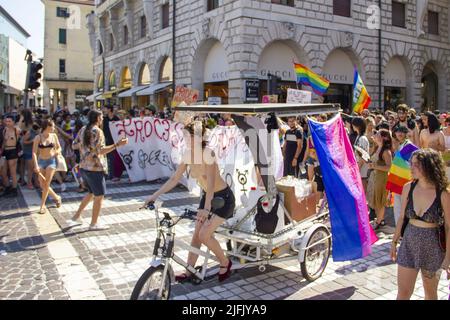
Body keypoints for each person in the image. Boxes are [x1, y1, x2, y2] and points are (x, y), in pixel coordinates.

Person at [144, 121, 236, 283]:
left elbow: (211, 184)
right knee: (196, 236)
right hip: (207, 197)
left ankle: (225, 262)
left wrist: (206, 210)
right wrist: (154, 195)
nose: (186, 139)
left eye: (190, 136)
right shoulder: (187, 154)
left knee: (204, 235)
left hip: (222, 198)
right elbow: (174, 179)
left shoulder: (208, 153)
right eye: (185, 135)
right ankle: (189, 270)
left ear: (199, 137)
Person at [390, 149, 450, 300]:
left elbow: (449, 227)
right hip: (409, 244)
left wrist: (448, 257)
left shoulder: (443, 193)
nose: (411, 167)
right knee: (403, 294)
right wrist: (394, 241)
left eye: (416, 164)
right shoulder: (408, 187)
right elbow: (402, 217)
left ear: (429, 166)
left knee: (430, 295)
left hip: (433, 248)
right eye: (411, 163)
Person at [68, 110, 128, 231]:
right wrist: (117, 144)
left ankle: (76, 216)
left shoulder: (84, 129)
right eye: (101, 117)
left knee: (91, 193)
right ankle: (93, 223)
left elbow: (74, 145)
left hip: (84, 166)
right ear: (97, 118)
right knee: (99, 196)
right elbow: (101, 151)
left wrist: (84, 148)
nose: (102, 120)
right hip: (95, 168)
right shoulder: (98, 131)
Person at [386, 126, 418, 225]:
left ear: (405, 133)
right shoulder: (400, 146)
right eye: (397, 132)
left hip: (406, 180)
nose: (399, 134)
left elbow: (413, 163)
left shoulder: (409, 146)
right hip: (398, 181)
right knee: (398, 207)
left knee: (404, 207)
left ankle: (402, 231)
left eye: (402, 132)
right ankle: (398, 231)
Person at [32, 119, 63, 214]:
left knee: (46, 184)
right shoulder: (38, 137)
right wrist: (36, 165)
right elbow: (33, 152)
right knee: (42, 184)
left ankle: (42, 205)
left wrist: (56, 152)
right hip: (41, 161)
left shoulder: (54, 136)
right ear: (47, 127)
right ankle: (57, 197)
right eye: (53, 126)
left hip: (51, 161)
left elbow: (59, 147)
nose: (54, 128)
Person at [367, 129, 393, 229]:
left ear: (384, 138)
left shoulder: (386, 151)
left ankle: (379, 221)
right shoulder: (377, 148)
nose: (375, 135)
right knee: (376, 199)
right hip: (375, 176)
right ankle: (379, 219)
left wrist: (375, 166)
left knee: (380, 200)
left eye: (378, 134)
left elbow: (389, 167)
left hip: (381, 178)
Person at [1, 115, 21, 196]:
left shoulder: (17, 130)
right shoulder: (4, 130)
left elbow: (20, 129)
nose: (7, 123)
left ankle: (14, 189)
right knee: (3, 171)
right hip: (5, 151)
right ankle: (8, 187)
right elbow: (3, 142)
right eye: (6, 121)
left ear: (13, 122)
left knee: (13, 172)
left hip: (13, 151)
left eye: (9, 121)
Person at [352, 117, 370, 192]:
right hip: (359, 170)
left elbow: (362, 157)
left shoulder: (362, 138)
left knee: (362, 193)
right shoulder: (359, 136)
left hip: (362, 172)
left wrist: (357, 170)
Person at [102, 105, 120, 181]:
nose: (104, 110)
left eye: (105, 109)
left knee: (112, 158)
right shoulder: (104, 119)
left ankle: (112, 175)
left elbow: (120, 128)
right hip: (106, 140)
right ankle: (106, 174)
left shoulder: (116, 118)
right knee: (105, 158)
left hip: (114, 141)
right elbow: (102, 128)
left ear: (109, 109)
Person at [22, 122, 40, 189]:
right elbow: (24, 141)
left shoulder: (38, 133)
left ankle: (36, 182)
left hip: (36, 152)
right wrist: (33, 140)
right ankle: (29, 183)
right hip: (29, 152)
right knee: (31, 169)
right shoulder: (29, 132)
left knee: (36, 168)